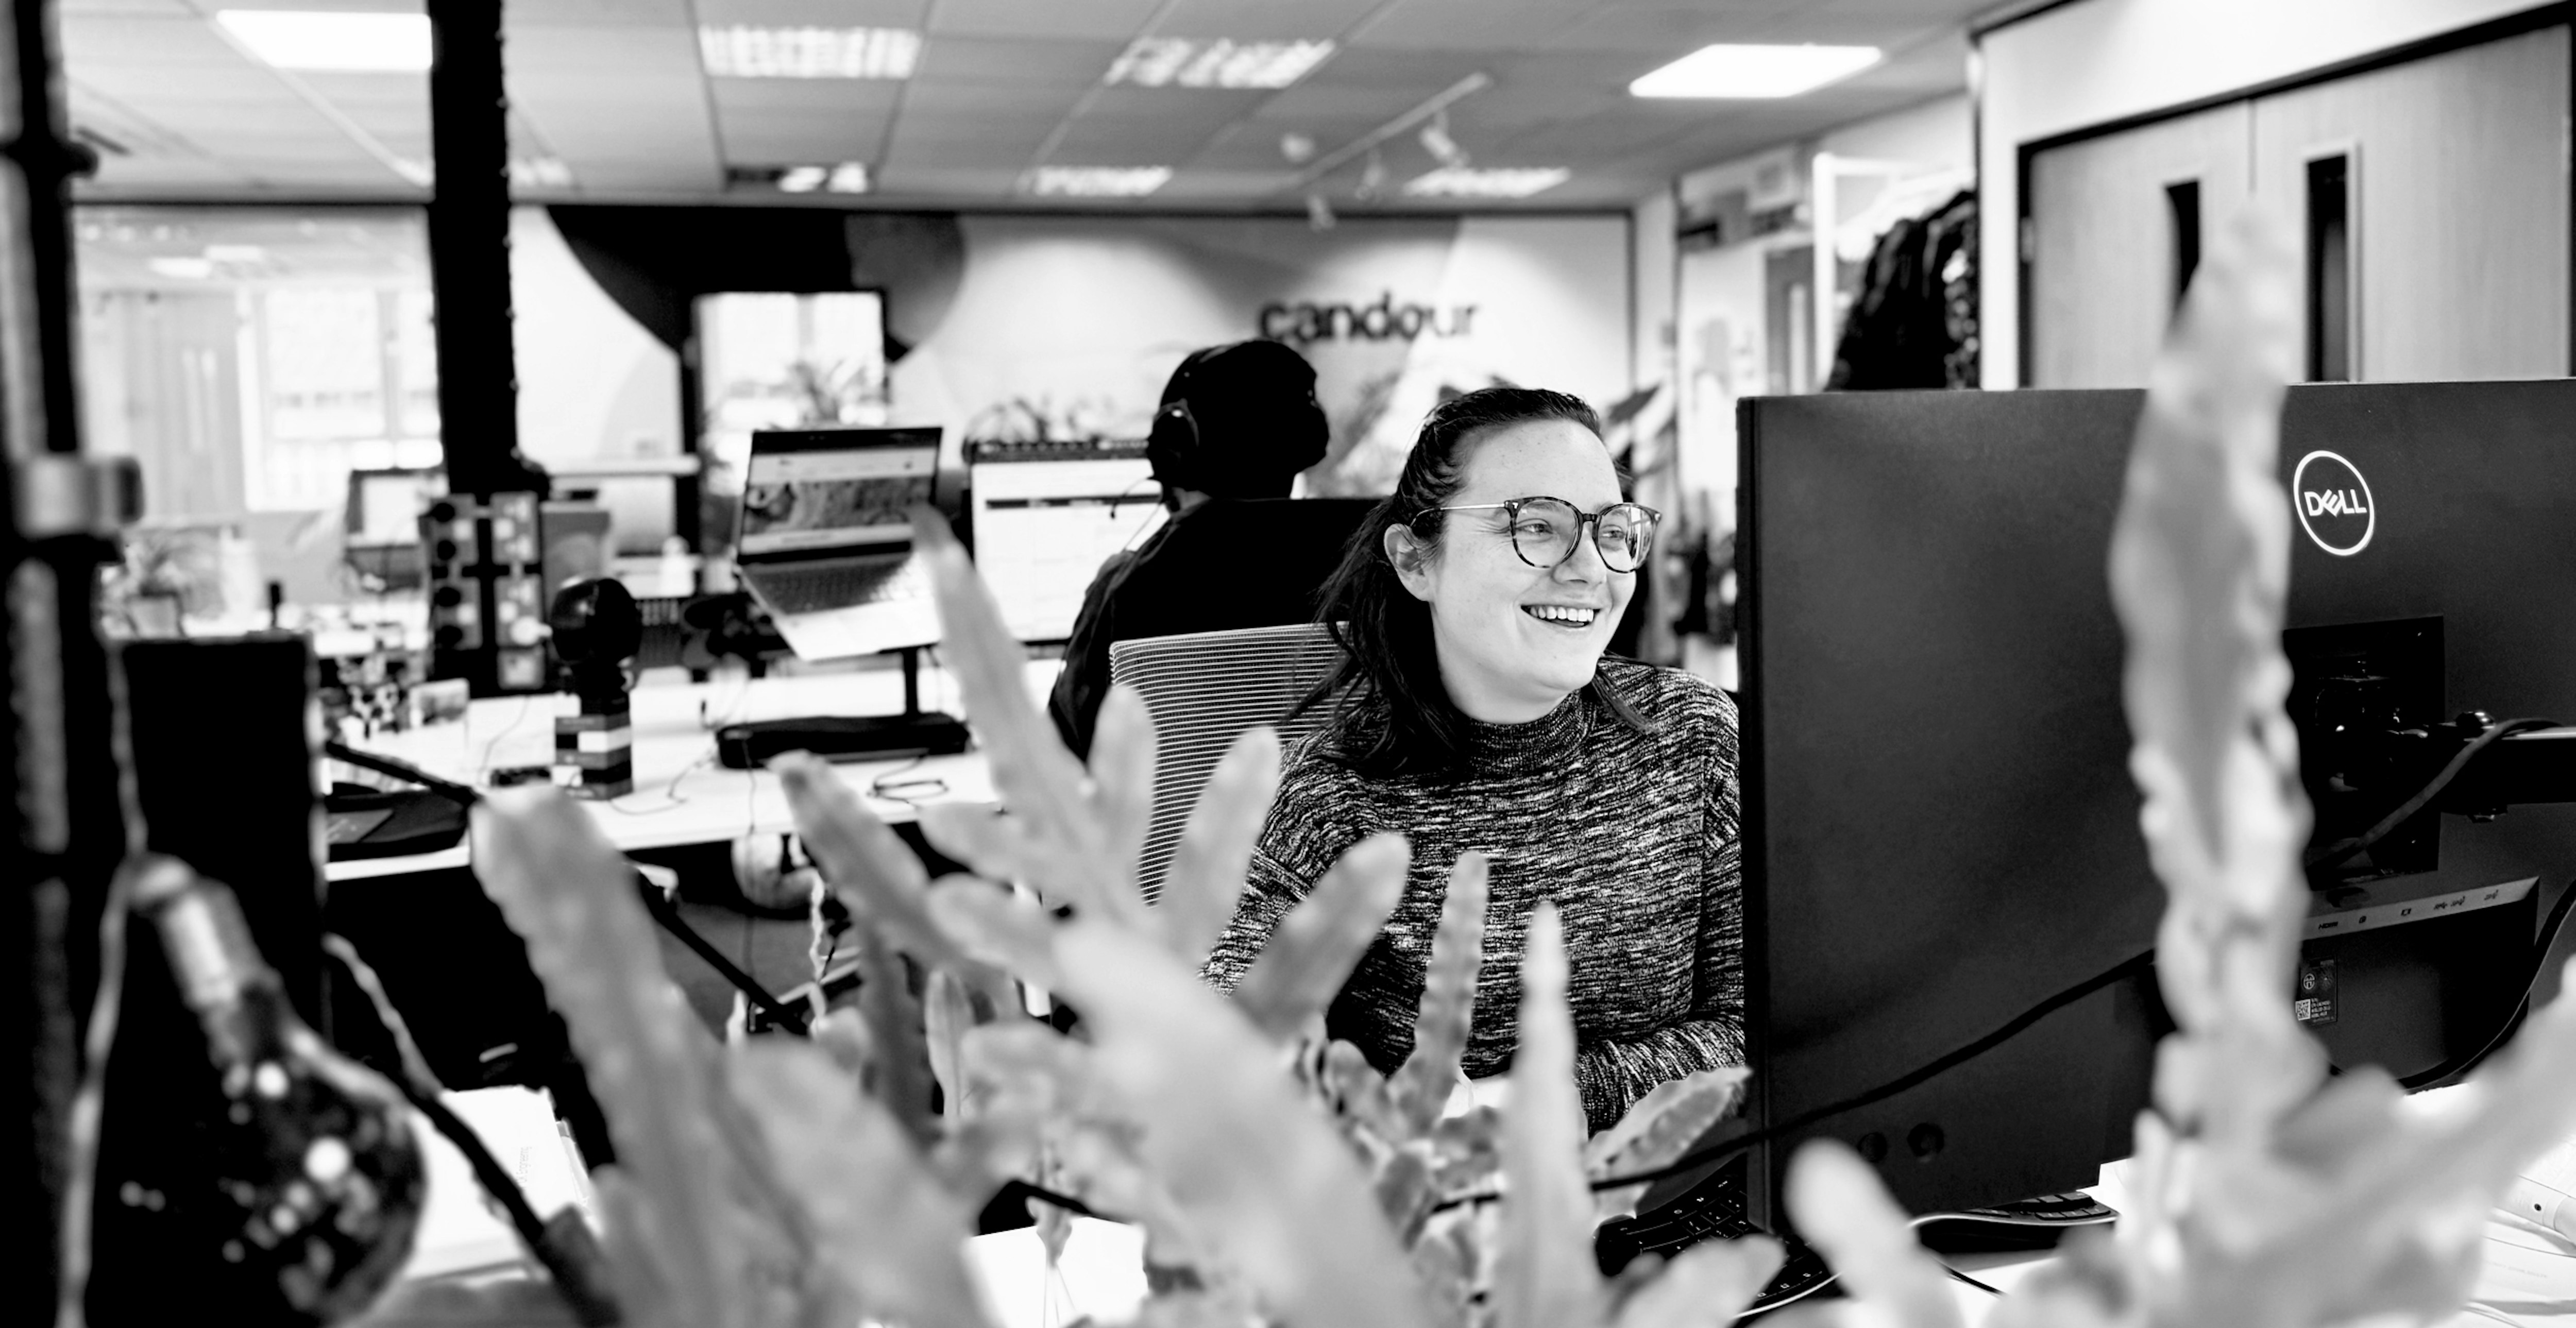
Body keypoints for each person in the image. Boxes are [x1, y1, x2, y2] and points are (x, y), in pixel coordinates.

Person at [1200, 386, 1741, 1133]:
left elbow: (1769, 1029)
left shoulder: (1697, 738)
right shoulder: (1331, 797)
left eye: (1613, 530)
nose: (1591, 569)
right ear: (1416, 562)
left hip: (1690, 1194)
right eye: (1537, 527)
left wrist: (1519, 1104)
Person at [1047, 339, 1366, 758]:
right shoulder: (1368, 562)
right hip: (1331, 820)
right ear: (1305, 444)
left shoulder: (1138, 579)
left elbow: (1059, 765)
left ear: (1174, 450)